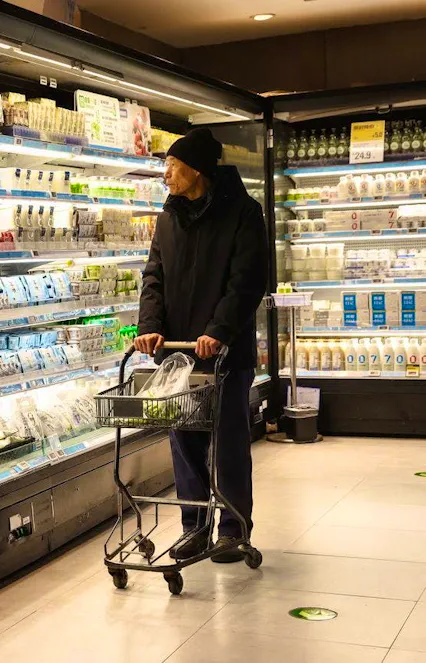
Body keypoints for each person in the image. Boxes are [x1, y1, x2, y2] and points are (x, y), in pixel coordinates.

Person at [133, 127, 268, 563]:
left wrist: (220, 331)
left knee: (228, 440)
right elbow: (154, 276)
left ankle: (232, 528)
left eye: (171, 166)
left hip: (224, 350)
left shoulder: (244, 213)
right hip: (176, 353)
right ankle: (194, 526)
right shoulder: (168, 216)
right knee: (184, 438)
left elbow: (246, 283)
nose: (165, 175)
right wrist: (150, 325)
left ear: (195, 170)